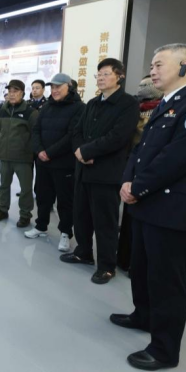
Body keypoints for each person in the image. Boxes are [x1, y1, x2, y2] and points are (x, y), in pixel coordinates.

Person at [114, 44, 186, 371]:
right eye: (152, 65)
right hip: (145, 203)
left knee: (166, 279)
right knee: (141, 267)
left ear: (184, 66)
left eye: (159, 64)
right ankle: (143, 315)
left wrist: (138, 187)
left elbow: (177, 158)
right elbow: (140, 149)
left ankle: (164, 349)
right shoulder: (165, 104)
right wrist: (127, 180)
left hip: (171, 209)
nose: (152, 71)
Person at [60, 58, 139, 284]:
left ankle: (106, 265)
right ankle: (83, 252)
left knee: (105, 222)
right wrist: (79, 151)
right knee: (81, 216)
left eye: (106, 74)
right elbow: (77, 131)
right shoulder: (93, 103)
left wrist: (88, 151)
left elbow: (118, 137)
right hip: (83, 170)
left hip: (107, 172)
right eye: (99, 75)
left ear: (119, 77)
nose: (101, 78)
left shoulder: (128, 104)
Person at [25, 73, 85, 251]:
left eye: (58, 86)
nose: (55, 90)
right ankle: (41, 226)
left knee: (65, 201)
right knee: (43, 196)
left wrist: (49, 153)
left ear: (69, 87)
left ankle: (66, 233)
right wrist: (39, 151)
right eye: (52, 87)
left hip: (64, 164)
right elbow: (36, 130)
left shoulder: (79, 108)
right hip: (43, 162)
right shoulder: (47, 106)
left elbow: (72, 135)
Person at [117, 76, 163, 272]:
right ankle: (124, 258)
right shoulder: (134, 107)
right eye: (141, 85)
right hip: (131, 163)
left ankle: (138, 263)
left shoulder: (163, 109)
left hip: (151, 166)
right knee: (128, 216)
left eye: (146, 85)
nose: (142, 88)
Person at [0, 80, 39, 228]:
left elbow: (35, 134)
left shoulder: (30, 112)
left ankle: (25, 215)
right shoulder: (3, 110)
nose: (12, 94)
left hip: (23, 158)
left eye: (15, 91)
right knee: (4, 186)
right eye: (10, 91)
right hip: (5, 156)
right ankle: (2, 210)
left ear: (22, 93)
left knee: (25, 189)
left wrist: (30, 151)